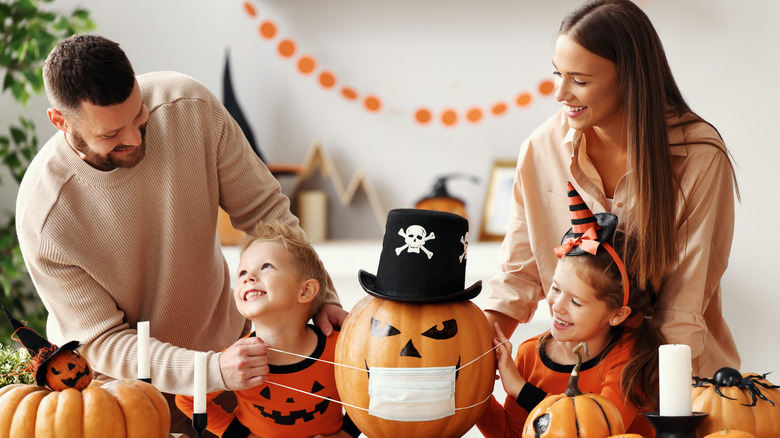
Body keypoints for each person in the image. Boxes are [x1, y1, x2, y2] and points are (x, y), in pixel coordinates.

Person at [15, 33, 347, 435]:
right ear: (60, 121)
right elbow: (101, 340)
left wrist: (320, 295)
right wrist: (207, 371)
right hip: (124, 399)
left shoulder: (190, 107)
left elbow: (266, 215)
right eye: (111, 135)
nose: (135, 139)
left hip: (235, 364)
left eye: (139, 117)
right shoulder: (45, 215)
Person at [484, 0, 739, 377]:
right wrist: (471, 355)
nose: (560, 94)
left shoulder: (696, 156)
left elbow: (680, 308)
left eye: (580, 81)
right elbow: (518, 274)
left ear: (630, 78)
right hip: (575, 382)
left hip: (667, 380)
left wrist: (656, 409)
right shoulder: (541, 149)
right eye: (557, 74)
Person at [477, 185, 662, 436]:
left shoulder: (628, 360)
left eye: (576, 302)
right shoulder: (530, 354)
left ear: (617, 314)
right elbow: (511, 435)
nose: (557, 306)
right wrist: (476, 392)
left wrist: (521, 390)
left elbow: (595, 429)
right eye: (555, 288)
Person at [176, 221, 360, 438]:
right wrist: (239, 435)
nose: (248, 278)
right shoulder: (238, 360)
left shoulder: (340, 349)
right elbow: (187, 399)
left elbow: (372, 395)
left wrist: (347, 434)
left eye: (266, 266)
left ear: (306, 290)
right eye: (243, 272)